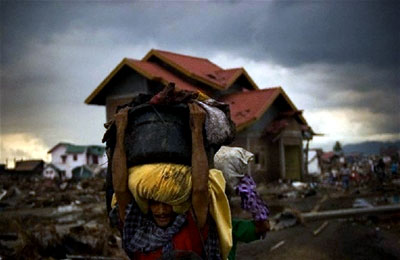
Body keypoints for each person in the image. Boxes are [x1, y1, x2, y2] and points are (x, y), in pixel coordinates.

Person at [112, 103, 230, 259]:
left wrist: (196, 132)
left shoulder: (191, 224)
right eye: (155, 203)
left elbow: (200, 189)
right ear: (147, 204)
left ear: (177, 202)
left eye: (167, 203)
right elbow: (120, 190)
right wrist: (120, 133)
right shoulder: (137, 229)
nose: (161, 211)